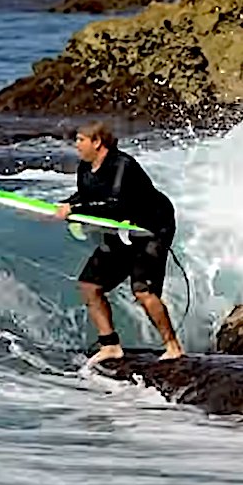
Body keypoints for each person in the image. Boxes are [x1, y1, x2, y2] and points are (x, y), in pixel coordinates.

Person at [55, 121, 184, 365]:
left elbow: (115, 203)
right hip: (122, 228)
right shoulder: (85, 167)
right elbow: (85, 196)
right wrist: (65, 204)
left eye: (81, 139)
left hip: (152, 228)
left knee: (143, 291)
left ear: (97, 142)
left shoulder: (122, 165)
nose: (77, 145)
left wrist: (75, 207)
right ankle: (110, 345)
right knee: (90, 285)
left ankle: (173, 346)